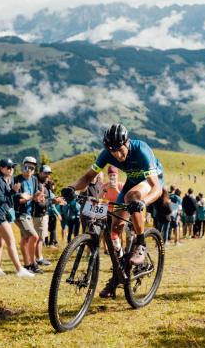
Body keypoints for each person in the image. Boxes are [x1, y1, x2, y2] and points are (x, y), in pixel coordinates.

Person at [61, 123, 165, 298]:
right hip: (133, 183)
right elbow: (88, 177)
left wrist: (143, 202)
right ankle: (119, 274)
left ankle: (141, 244)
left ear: (127, 142)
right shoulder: (107, 154)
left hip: (151, 180)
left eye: (119, 149)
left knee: (132, 198)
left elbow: (157, 189)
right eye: (112, 150)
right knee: (114, 228)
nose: (117, 154)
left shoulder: (141, 151)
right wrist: (71, 188)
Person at [0, 158, 33, 278]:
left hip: (2, 213)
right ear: (1, 168)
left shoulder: (9, 179)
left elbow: (9, 196)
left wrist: (19, 194)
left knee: (0, 242)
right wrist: (14, 192)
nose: (11, 169)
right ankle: (19, 270)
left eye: (12, 167)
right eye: (8, 167)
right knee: (11, 241)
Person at [13, 156, 43, 274]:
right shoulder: (17, 180)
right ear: (23, 166)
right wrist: (31, 197)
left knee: (25, 239)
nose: (29, 169)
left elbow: (35, 195)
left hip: (29, 213)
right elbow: (16, 201)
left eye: (32, 167)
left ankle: (26, 265)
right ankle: (33, 263)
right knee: (34, 236)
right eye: (27, 166)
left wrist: (38, 197)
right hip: (19, 214)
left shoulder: (34, 180)